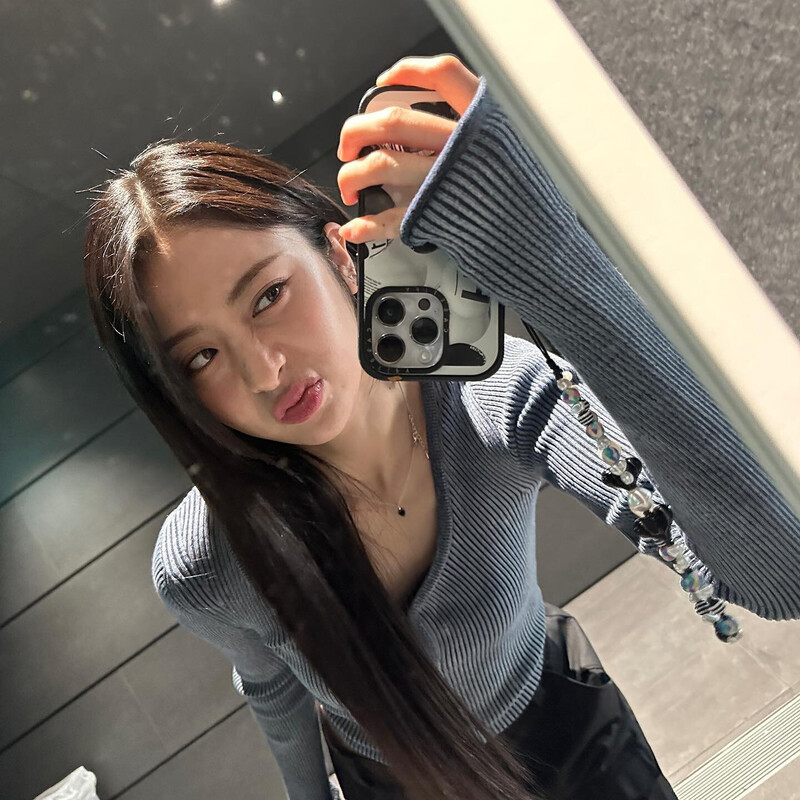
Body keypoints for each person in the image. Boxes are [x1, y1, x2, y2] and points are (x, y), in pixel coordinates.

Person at [82, 55, 800, 800]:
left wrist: (552, 262)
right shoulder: (208, 561)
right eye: (201, 356)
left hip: (571, 738)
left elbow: (778, 574)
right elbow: (272, 687)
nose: (264, 371)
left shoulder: (492, 397)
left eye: (268, 296)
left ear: (340, 257)